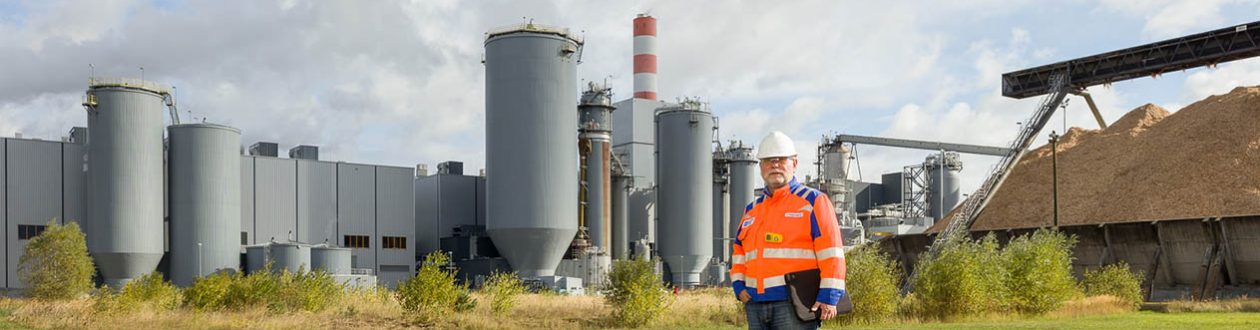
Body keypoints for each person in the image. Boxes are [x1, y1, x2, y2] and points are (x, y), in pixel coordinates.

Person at [731, 131, 847, 330]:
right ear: (760, 168)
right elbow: (739, 252)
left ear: (794, 163)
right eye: (768, 160)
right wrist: (738, 286)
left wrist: (829, 295)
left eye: (780, 159)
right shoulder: (752, 210)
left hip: (794, 302)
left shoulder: (813, 201)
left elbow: (832, 251)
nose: (774, 165)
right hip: (755, 303)